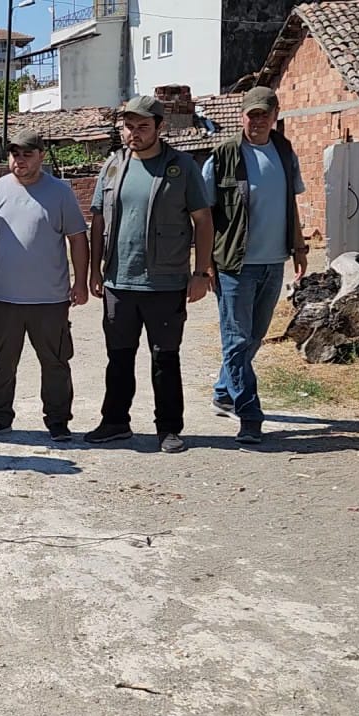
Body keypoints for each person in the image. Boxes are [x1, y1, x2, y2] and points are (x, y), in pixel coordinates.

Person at [87, 96, 215, 453]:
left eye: (143, 126)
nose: (134, 133)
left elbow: (203, 221)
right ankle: (115, 422)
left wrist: (201, 272)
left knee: (165, 358)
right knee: (119, 357)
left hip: (166, 281)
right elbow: (98, 220)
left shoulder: (182, 166)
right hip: (119, 280)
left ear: (160, 127)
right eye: (129, 126)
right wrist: (96, 272)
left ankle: (169, 429)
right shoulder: (112, 167)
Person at [202, 86, 308, 444]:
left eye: (264, 114)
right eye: (252, 114)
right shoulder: (223, 155)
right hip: (234, 263)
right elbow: (202, 215)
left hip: (272, 261)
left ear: (275, 115)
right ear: (241, 116)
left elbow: (290, 201)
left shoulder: (283, 149)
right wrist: (206, 264)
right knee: (236, 340)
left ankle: (223, 391)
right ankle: (249, 414)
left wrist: (299, 245)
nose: (258, 121)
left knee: (254, 337)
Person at [0, 129, 90, 442]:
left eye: (27, 153)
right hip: (2, 297)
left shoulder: (60, 192)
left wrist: (80, 282)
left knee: (55, 363)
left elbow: (78, 239)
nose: (19, 160)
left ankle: (58, 420)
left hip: (49, 299)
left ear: (41, 155)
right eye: (14, 154)